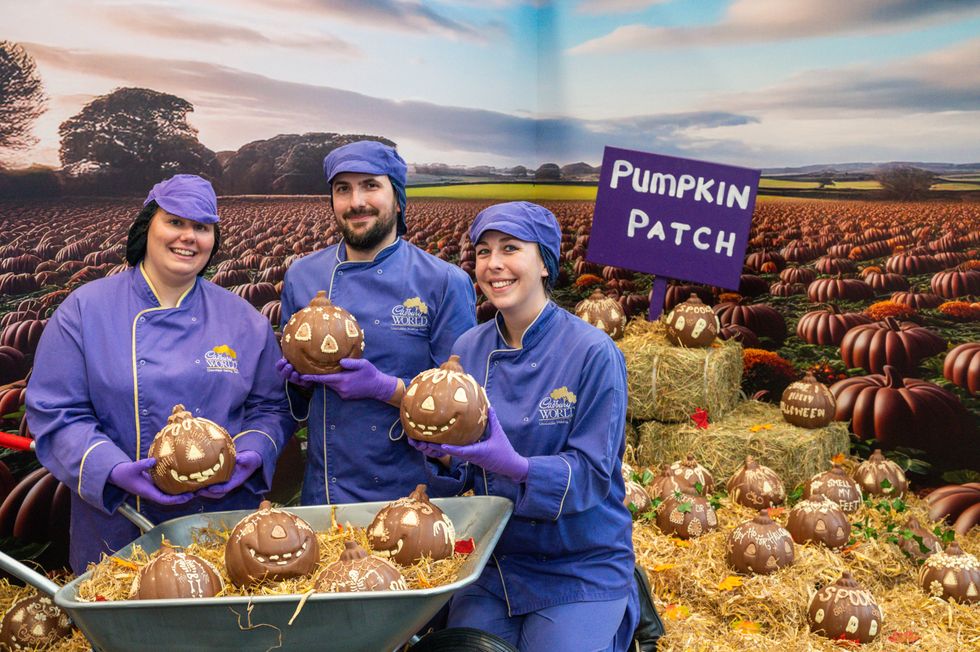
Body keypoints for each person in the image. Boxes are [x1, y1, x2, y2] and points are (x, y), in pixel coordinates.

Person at [26, 174, 294, 574]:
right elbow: (55, 412)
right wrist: (112, 470)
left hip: (222, 525)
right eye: (175, 222)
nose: (188, 237)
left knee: (227, 629)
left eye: (201, 227)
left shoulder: (243, 319)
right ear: (147, 226)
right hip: (119, 526)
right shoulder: (85, 310)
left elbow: (273, 406)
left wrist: (253, 451)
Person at [408, 201, 639, 651]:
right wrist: (441, 456)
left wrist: (519, 467)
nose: (494, 264)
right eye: (482, 251)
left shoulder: (593, 352)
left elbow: (592, 474)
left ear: (545, 263)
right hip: (494, 563)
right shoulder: (468, 349)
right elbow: (462, 471)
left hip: (579, 562)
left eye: (510, 248)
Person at [277, 140, 476, 505]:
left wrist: (385, 388)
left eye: (371, 185)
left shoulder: (443, 281)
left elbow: (465, 406)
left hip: (413, 497)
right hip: (326, 492)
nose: (356, 202)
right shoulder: (302, 276)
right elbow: (294, 401)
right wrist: (297, 383)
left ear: (398, 198)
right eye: (343, 189)